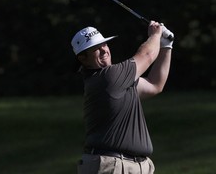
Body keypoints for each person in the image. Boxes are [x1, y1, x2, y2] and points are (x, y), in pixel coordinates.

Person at [71, 21, 174, 174]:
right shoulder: (108, 78)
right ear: (83, 59)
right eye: (95, 49)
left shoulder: (118, 81)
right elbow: (147, 55)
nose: (103, 50)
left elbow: (155, 84)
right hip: (111, 166)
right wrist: (156, 34)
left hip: (134, 166)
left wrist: (166, 46)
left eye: (104, 45)